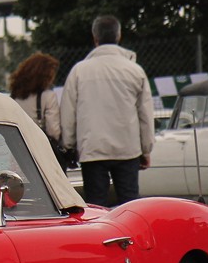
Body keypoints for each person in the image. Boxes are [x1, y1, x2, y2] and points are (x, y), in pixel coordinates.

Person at [60, 15, 153, 207]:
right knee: (130, 207)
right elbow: (145, 113)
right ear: (119, 36)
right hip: (128, 149)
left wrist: (69, 146)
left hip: (93, 149)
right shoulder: (134, 70)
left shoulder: (79, 70)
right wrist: (146, 148)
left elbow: (68, 113)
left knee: (96, 206)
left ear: (95, 37)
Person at [9, 51, 62, 149]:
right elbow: (53, 131)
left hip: (17, 147)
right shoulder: (48, 96)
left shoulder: (14, 96)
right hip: (39, 148)